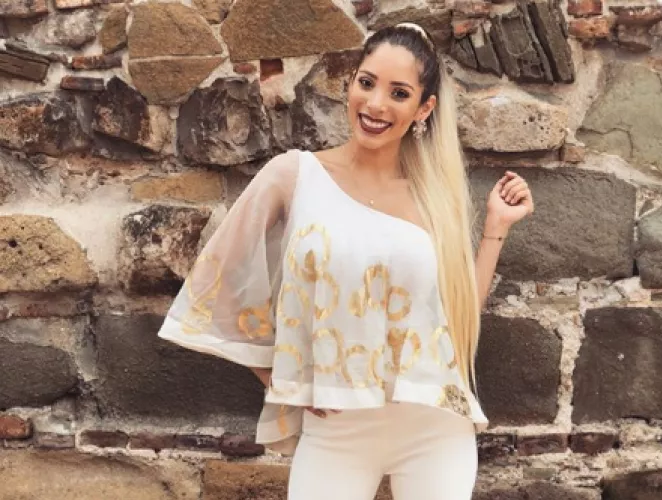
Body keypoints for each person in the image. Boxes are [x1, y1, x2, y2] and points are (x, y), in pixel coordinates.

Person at [158, 22, 534, 500]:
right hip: (336, 430)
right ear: (349, 83)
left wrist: (496, 229)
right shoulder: (295, 175)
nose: (376, 104)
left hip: (435, 427)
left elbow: (459, 321)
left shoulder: (435, 198)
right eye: (367, 82)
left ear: (424, 109)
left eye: (399, 93)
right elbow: (217, 283)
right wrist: (282, 378)